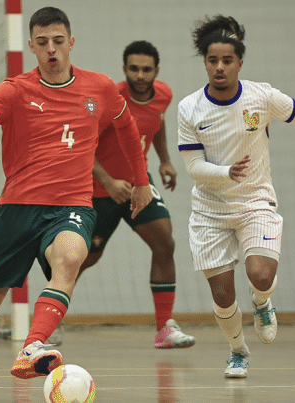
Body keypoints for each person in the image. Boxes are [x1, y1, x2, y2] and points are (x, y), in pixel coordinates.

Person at [0, 7, 153, 400]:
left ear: (71, 43)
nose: (51, 49)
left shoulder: (101, 88)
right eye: (42, 43)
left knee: (70, 259)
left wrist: (141, 182)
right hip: (16, 209)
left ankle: (33, 344)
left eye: (58, 41)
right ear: (31, 47)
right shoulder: (15, 90)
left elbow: (127, 127)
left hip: (72, 205)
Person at [177, 15, 295, 378]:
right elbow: (193, 167)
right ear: (204, 62)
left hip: (255, 202)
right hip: (209, 210)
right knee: (222, 296)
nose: (219, 67)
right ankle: (238, 351)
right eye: (212, 60)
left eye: (227, 60)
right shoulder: (190, 108)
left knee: (261, 275)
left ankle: (262, 302)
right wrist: (225, 172)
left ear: (240, 62)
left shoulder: (261, 97)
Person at [73, 40, 195, 349]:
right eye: (133, 69)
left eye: (146, 69)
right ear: (124, 69)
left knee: (165, 242)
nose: (140, 75)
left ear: (156, 71)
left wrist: (165, 160)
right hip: (100, 190)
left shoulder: (164, 95)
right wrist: (110, 182)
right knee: (84, 258)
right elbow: (83, 146)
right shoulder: (109, 99)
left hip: (138, 185)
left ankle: (164, 327)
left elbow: (157, 123)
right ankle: (48, 324)